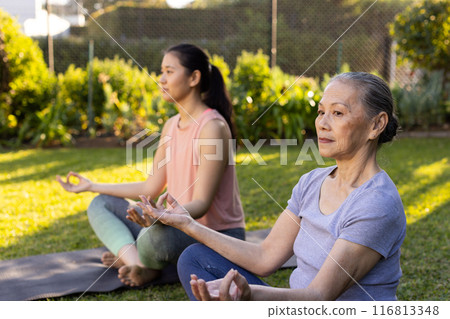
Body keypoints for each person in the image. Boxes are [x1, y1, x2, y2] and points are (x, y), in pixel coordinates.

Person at [131, 72, 407, 300]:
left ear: (376, 125)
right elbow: (265, 257)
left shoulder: (376, 203)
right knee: (195, 258)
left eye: (337, 113)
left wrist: (250, 295)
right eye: (321, 112)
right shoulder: (312, 182)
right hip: (298, 303)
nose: (322, 123)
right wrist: (188, 224)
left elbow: (320, 295)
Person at [56, 43, 246, 287]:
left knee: (155, 238)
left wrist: (160, 218)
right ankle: (138, 264)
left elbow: (201, 204)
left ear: (194, 78)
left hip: (213, 235)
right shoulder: (171, 125)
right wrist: (92, 185)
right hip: (175, 225)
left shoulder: (212, 127)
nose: (161, 79)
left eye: (169, 71)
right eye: (161, 71)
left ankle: (136, 260)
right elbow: (150, 187)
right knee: (100, 204)